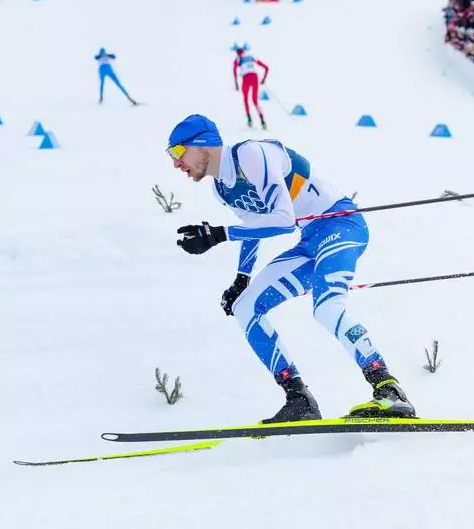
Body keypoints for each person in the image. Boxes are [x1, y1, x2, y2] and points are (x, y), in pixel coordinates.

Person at [167, 114, 415, 424]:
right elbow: (255, 226)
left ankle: (389, 390)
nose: (176, 163)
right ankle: (298, 398)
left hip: (341, 224)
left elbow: (283, 220)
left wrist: (219, 234)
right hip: (310, 240)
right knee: (246, 307)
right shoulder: (221, 188)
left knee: (326, 308)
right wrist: (241, 279)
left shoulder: (250, 154)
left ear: (201, 143)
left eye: (177, 152)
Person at [233, 46, 269, 129]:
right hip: (255, 78)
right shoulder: (251, 57)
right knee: (255, 101)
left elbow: (234, 71)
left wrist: (236, 84)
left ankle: (249, 120)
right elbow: (267, 68)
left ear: (238, 53)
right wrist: (263, 79)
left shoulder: (237, 59)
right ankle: (262, 120)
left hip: (246, 79)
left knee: (246, 100)